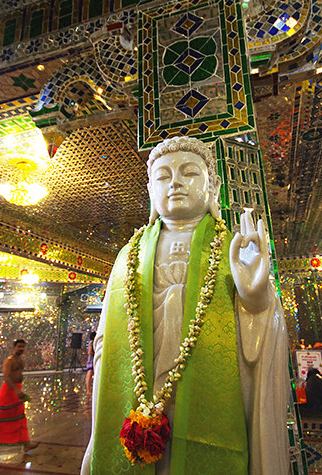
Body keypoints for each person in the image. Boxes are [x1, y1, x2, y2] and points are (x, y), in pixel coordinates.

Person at [81, 136, 289, 474]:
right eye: (163, 176)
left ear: (212, 186)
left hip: (207, 398)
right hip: (138, 391)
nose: (175, 182)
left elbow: (260, 330)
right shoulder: (128, 256)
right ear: (150, 190)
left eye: (189, 173)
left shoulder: (232, 249)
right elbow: (106, 343)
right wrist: (96, 428)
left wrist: (257, 298)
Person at [0, 340, 39, 457]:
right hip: (8, 392)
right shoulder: (9, 361)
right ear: (13, 347)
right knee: (1, 419)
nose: (21, 349)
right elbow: (6, 376)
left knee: (20, 418)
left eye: (23, 347)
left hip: (17, 391)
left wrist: (19, 390)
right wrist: (15, 390)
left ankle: (26, 444)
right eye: (19, 346)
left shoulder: (20, 360)